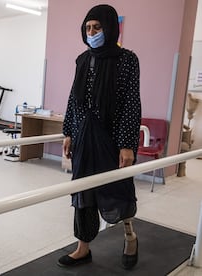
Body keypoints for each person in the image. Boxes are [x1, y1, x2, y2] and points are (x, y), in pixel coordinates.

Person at [59, 4, 141, 270]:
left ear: (109, 28)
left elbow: (131, 102)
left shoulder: (127, 59)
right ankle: (83, 247)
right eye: (88, 28)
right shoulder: (83, 60)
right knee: (82, 190)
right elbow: (74, 99)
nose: (92, 32)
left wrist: (127, 144)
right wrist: (68, 132)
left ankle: (129, 235)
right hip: (84, 135)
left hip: (112, 136)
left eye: (97, 27)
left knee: (117, 187)